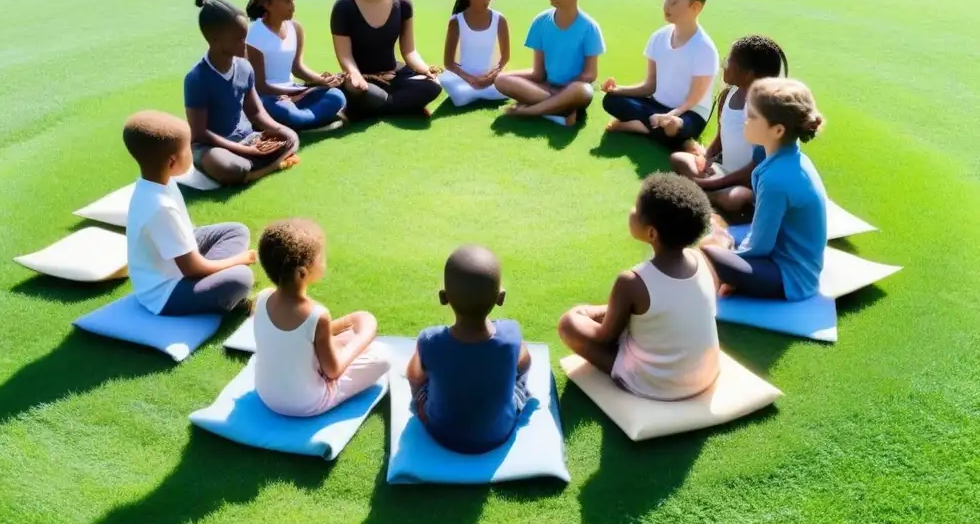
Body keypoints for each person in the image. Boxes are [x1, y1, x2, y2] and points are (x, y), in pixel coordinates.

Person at [558, 173, 720, 401]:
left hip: (657, 384)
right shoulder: (700, 259)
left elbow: (604, 338)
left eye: (636, 208)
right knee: (634, 316)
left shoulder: (632, 282)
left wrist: (584, 313)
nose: (631, 212)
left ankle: (592, 324)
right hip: (704, 375)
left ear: (652, 233)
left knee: (569, 324)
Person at [701, 78, 827, 301]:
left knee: (708, 251)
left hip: (790, 277)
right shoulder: (784, 157)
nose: (744, 122)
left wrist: (727, 254)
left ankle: (724, 256)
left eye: (751, 117)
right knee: (716, 233)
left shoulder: (776, 179)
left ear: (777, 130)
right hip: (780, 254)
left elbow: (759, 246)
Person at [122, 110, 256, 316]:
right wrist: (239, 259)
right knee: (241, 279)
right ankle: (213, 286)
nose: (192, 152)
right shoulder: (159, 206)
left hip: (181, 258)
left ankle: (211, 277)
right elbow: (192, 268)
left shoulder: (155, 182)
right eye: (188, 149)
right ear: (172, 162)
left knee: (237, 231)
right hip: (166, 292)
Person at [253, 218, 390, 417]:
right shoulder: (317, 316)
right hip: (305, 403)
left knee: (331, 341)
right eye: (320, 257)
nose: (324, 260)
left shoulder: (262, 298)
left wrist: (349, 321)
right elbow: (333, 371)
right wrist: (364, 336)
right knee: (382, 356)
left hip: (266, 392)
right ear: (302, 272)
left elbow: (297, 337)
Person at [406, 245, 532, 454]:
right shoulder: (511, 334)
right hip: (499, 432)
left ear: (443, 297)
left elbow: (414, 377)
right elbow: (524, 363)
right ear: (500, 298)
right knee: (518, 386)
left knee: (423, 387)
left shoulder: (430, 340)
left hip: (442, 433)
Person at [184, 0, 299, 186]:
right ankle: (261, 169)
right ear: (214, 39)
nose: (244, 45)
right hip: (213, 147)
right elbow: (200, 133)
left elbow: (255, 112)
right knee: (227, 166)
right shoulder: (197, 79)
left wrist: (278, 129)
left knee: (292, 138)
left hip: (248, 138)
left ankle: (253, 170)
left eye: (245, 38)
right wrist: (246, 151)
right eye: (238, 40)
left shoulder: (245, 67)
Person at [670, 35, 789, 216]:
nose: (724, 64)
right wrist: (707, 158)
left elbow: (755, 167)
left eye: (729, 61)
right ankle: (709, 192)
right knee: (679, 159)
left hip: (751, 182)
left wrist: (710, 183)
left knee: (736, 199)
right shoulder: (727, 95)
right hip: (726, 173)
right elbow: (720, 137)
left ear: (748, 73)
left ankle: (703, 192)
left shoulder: (766, 109)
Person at [602, 0, 718, 148]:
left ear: (695, 7)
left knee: (676, 126)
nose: (666, 6)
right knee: (611, 101)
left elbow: (693, 100)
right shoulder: (658, 38)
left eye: (674, 2)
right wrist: (616, 90)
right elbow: (650, 86)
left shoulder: (705, 49)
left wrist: (671, 115)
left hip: (688, 112)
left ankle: (640, 127)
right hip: (655, 107)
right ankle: (668, 137)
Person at [330, 0, 442, 120]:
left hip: (394, 75)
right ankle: (399, 105)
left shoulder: (402, 1)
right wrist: (355, 75)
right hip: (364, 79)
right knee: (358, 89)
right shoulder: (344, 5)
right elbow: (345, 56)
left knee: (434, 85)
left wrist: (424, 69)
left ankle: (377, 107)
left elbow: (409, 50)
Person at [494, 0, 605, 127]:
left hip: (573, 90)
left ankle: (529, 111)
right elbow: (538, 73)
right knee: (501, 80)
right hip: (545, 88)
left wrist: (565, 89)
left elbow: (590, 74)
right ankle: (562, 110)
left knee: (583, 90)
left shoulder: (590, 28)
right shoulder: (540, 22)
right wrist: (505, 76)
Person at [244, 0, 347, 133]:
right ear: (266, 3)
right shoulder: (254, 34)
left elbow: (297, 67)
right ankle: (306, 120)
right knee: (281, 110)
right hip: (269, 98)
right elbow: (260, 86)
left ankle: (302, 121)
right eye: (285, 1)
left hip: (294, 93)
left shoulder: (296, 28)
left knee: (337, 96)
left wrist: (320, 80)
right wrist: (298, 91)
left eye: (292, 0)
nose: (292, 6)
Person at [438, 0, 510, 108]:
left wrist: (490, 77)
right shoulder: (456, 21)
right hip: (464, 78)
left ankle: (479, 93)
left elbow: (504, 58)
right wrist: (471, 80)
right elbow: (449, 63)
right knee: (447, 82)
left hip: (491, 78)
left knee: (509, 83)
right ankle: (479, 93)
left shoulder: (499, 19)